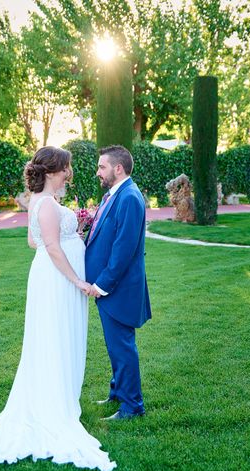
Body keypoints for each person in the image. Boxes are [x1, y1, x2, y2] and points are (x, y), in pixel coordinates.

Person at [0, 146, 116, 471]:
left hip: (48, 277)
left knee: (54, 338)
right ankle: (55, 409)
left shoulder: (38, 202)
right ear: (54, 171)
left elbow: (33, 241)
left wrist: (70, 237)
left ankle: (57, 398)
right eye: (66, 168)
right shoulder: (47, 204)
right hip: (57, 282)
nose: (70, 173)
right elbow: (49, 246)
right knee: (56, 339)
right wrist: (77, 281)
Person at [85, 145, 152, 420]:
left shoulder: (129, 198)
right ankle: (117, 392)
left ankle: (132, 406)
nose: (98, 171)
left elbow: (123, 250)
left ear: (118, 168)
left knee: (122, 347)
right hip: (111, 290)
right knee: (115, 346)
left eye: (102, 166)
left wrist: (101, 285)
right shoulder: (114, 195)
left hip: (118, 289)